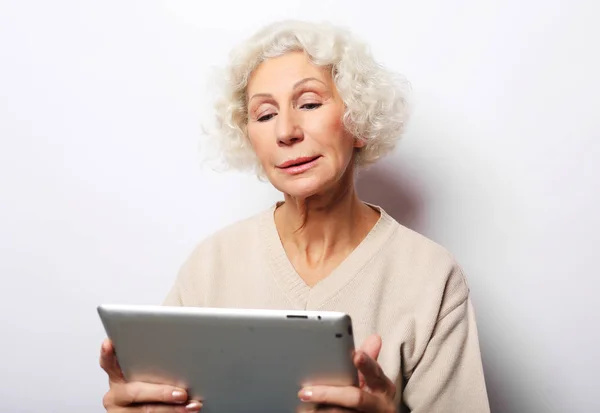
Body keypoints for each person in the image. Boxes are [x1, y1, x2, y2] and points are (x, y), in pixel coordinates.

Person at [99, 20, 490, 413]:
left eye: (309, 103)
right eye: (265, 114)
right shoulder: (210, 265)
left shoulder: (431, 275)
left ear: (358, 122)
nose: (286, 131)